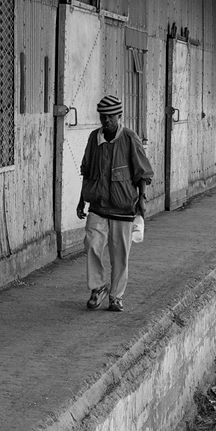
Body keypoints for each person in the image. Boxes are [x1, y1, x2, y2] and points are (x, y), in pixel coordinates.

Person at [76, 95, 153, 313]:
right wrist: (82, 199)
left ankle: (116, 296)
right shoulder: (94, 138)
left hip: (123, 207)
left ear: (119, 116)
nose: (106, 120)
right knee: (91, 245)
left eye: (110, 116)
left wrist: (142, 199)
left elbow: (142, 172)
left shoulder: (129, 138)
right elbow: (87, 170)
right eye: (103, 116)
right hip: (98, 206)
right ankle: (98, 287)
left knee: (119, 254)